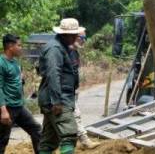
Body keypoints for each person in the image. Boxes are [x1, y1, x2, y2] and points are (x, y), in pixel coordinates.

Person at [38, 18, 83, 154]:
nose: (76, 37)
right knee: (69, 135)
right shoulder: (55, 49)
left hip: (55, 99)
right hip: (58, 100)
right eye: (74, 34)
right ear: (65, 35)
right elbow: (53, 74)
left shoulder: (62, 47)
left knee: (49, 141)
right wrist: (56, 101)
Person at [0, 34, 42, 154]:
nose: (21, 48)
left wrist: (21, 79)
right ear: (10, 46)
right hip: (7, 108)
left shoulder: (15, 62)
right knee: (2, 140)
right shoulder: (1, 63)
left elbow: (16, 81)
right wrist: (3, 111)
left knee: (36, 129)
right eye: (19, 45)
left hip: (19, 107)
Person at [69, 30, 98, 149]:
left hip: (72, 89)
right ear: (75, 37)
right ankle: (84, 139)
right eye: (82, 38)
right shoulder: (65, 52)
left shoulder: (75, 52)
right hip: (64, 92)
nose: (84, 41)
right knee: (76, 114)